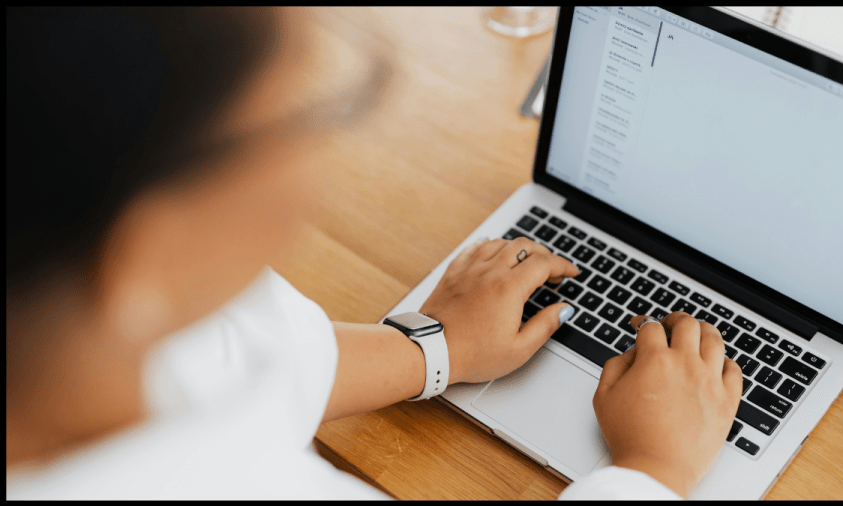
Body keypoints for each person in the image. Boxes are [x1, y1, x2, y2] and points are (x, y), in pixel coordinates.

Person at [6, 7, 743, 500]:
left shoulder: (59, 327)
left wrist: (433, 348)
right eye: (305, 111)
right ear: (145, 252)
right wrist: (657, 468)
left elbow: (228, 353)